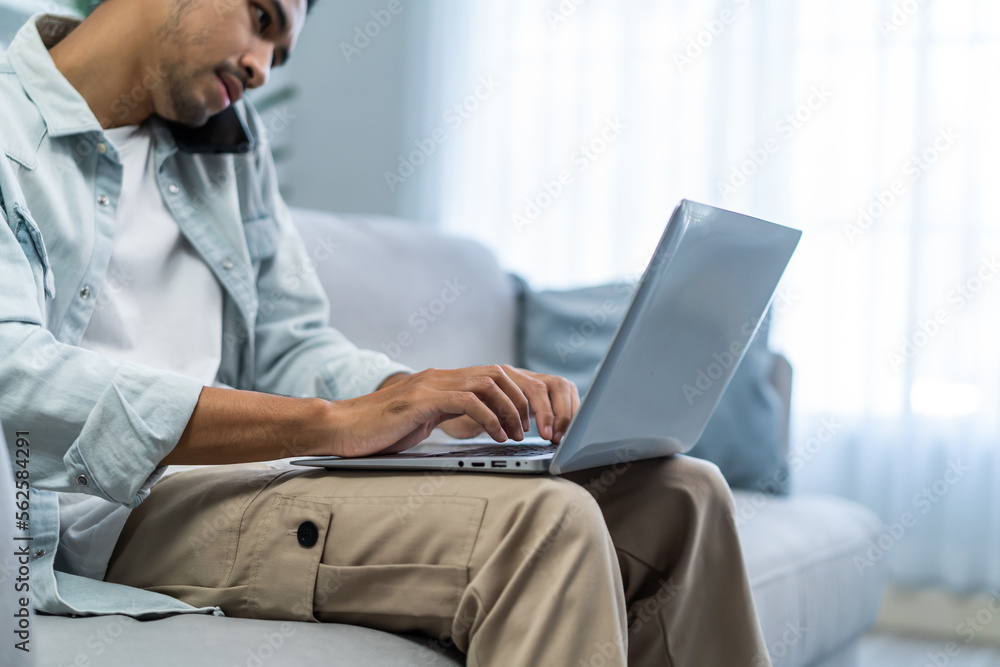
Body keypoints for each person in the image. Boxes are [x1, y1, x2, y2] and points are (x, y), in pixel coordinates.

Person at [0, 1, 771, 665]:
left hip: (253, 474)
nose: (264, 66)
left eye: (280, 49)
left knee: (682, 494)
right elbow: (17, 373)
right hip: (107, 510)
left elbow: (291, 344)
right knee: (545, 525)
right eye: (261, 20)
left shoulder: (229, 151)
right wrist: (331, 424)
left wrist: (426, 401)